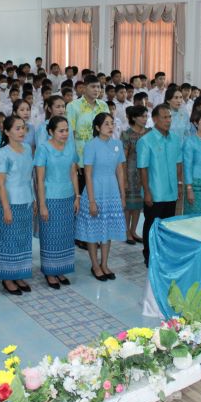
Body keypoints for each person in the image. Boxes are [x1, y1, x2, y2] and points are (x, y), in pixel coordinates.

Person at [76, 113, 126, 280]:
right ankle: (95, 265)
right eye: (106, 124)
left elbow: (120, 171)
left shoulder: (117, 144)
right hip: (95, 190)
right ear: (97, 128)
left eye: (112, 123)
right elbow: (88, 174)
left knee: (108, 228)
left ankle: (105, 264)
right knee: (93, 230)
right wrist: (91, 201)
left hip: (111, 191)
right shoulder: (91, 145)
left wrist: (122, 195)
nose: (110, 127)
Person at [34, 116, 79, 289]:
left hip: (67, 197)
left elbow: (73, 172)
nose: (65, 134)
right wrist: (42, 204)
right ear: (51, 132)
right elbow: (40, 178)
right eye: (61, 130)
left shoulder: (69, 146)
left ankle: (60, 269)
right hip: (51, 198)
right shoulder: (43, 149)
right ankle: (50, 272)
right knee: (51, 236)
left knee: (64, 236)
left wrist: (77, 197)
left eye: (67, 130)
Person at [0, 116, 36, 295]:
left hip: (26, 200)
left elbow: (30, 177)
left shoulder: (27, 149)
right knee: (7, 240)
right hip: (9, 202)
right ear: (7, 131)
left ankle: (19, 274)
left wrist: (33, 199)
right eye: (17, 128)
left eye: (23, 128)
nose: (21, 132)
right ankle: (7, 278)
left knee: (23, 239)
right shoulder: (1, 153)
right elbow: (0, 183)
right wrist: (6, 208)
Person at [137, 104, 183, 266]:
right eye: (164, 117)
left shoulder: (175, 139)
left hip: (171, 191)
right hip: (155, 191)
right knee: (151, 224)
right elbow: (143, 168)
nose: (168, 120)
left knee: (167, 225)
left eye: (170, 117)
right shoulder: (146, 141)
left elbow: (178, 163)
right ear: (155, 119)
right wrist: (147, 192)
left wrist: (179, 184)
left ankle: (164, 253)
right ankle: (148, 255)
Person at [66, 74, 109, 176]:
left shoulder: (103, 106)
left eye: (98, 87)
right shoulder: (73, 106)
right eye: (93, 87)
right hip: (81, 158)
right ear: (85, 88)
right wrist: (74, 160)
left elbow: (108, 130)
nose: (96, 90)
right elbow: (69, 135)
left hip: (100, 156)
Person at [120, 106, 148, 244]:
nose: (145, 119)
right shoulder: (126, 134)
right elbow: (123, 158)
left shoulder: (149, 133)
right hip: (131, 172)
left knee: (138, 204)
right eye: (142, 116)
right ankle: (126, 232)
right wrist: (124, 178)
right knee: (129, 205)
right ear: (134, 118)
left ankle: (133, 230)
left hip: (145, 173)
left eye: (146, 116)